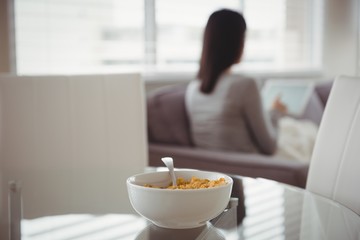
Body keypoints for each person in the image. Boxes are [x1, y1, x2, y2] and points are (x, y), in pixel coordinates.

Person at [185, 9, 287, 155]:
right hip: (253, 167)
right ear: (235, 41)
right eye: (243, 38)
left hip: (213, 168)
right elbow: (269, 147)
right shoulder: (245, 85)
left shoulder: (193, 88)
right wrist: (276, 112)